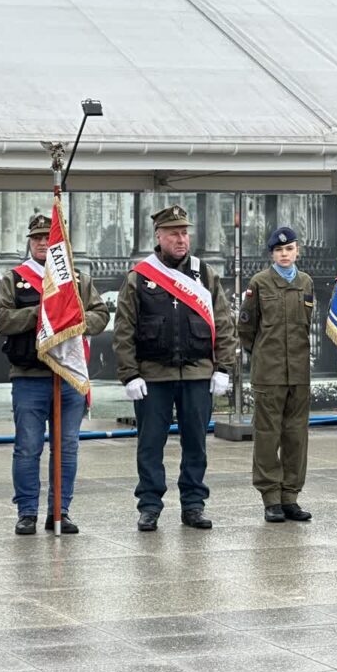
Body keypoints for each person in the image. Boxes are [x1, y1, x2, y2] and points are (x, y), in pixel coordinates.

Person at [114, 204, 237, 531]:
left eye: (184, 233)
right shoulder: (140, 277)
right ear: (159, 236)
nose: (181, 239)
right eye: (173, 234)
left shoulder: (204, 274)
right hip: (153, 376)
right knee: (150, 445)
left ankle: (193, 505)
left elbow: (223, 323)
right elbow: (124, 329)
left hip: (197, 374)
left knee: (196, 444)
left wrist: (223, 367)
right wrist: (129, 374)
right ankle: (149, 506)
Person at [0, 213, 109, 535]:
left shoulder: (77, 280)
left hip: (68, 376)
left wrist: (70, 317)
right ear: (30, 243)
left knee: (67, 448)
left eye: (48, 238)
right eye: (37, 238)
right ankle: (27, 512)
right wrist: (42, 312)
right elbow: (1, 319)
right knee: (27, 447)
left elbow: (100, 315)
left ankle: (60, 510)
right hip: (28, 375)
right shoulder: (14, 279)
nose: (43, 243)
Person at [238, 227, 315, 523]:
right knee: (268, 437)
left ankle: (290, 497)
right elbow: (246, 328)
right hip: (269, 373)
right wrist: (261, 354)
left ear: (297, 251)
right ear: (272, 254)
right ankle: (271, 498)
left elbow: (307, 324)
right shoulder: (259, 283)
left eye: (289, 249)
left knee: (296, 436)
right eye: (279, 250)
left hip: (298, 373)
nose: (284, 254)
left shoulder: (306, 282)